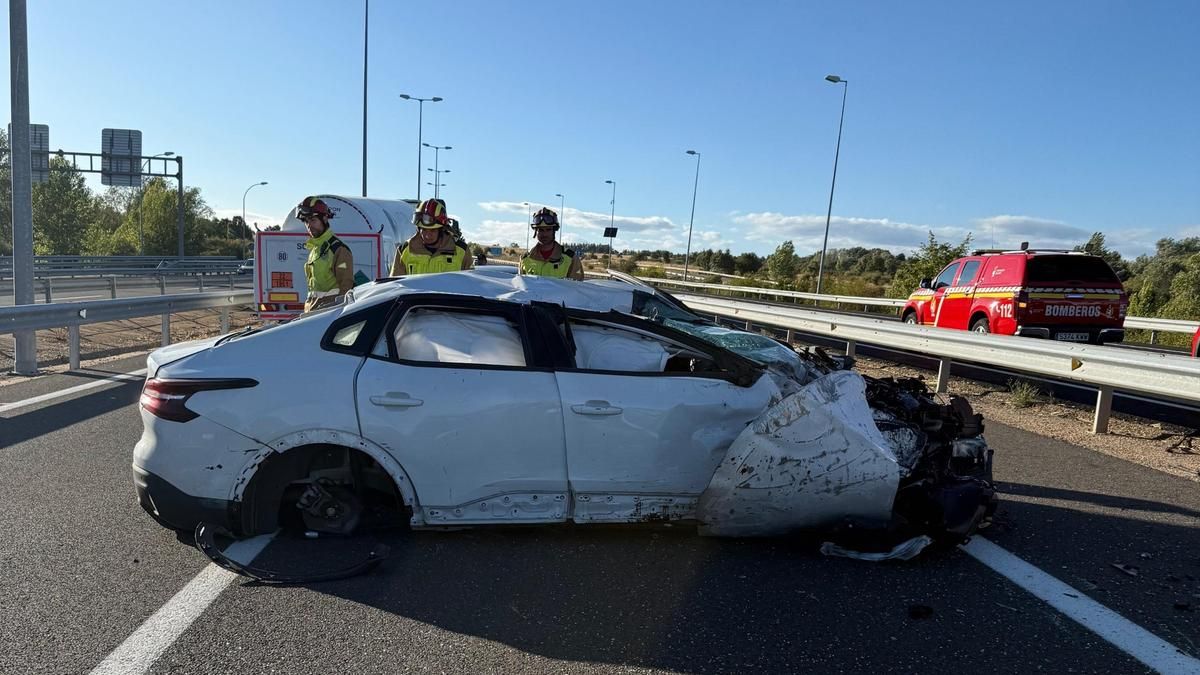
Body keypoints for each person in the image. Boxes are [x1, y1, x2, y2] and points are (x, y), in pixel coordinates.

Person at [299, 196, 354, 312]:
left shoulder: (338, 250)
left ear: (324, 219)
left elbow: (346, 289)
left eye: (313, 220)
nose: (309, 225)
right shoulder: (314, 250)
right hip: (313, 312)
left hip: (329, 315)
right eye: (306, 221)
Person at [389, 198, 472, 276]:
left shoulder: (461, 251)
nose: (427, 235)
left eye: (433, 231)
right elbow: (395, 286)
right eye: (424, 230)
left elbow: (472, 284)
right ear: (418, 229)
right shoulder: (404, 251)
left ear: (441, 230)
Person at [520, 207, 583, 279]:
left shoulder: (570, 259)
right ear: (535, 232)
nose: (544, 234)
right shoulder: (525, 259)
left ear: (554, 231)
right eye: (540, 230)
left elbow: (577, 288)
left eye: (548, 229)